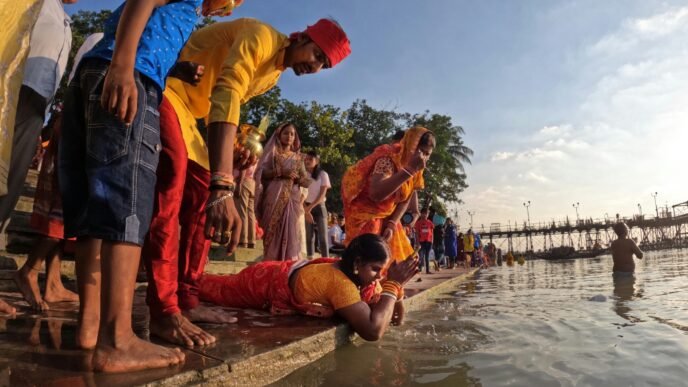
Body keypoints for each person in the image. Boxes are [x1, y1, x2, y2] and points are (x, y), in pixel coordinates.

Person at [143, 17, 350, 347]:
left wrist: (228, 159)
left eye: (324, 65)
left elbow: (223, 108)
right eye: (318, 54)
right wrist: (223, 183)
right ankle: (164, 310)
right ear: (305, 37)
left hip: (191, 117)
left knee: (200, 204)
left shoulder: (274, 72)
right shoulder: (261, 37)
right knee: (173, 189)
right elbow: (226, 93)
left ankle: (188, 299)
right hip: (166, 90)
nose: (316, 66)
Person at [58, 0, 241, 373]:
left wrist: (174, 67)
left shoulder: (192, 11)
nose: (227, 7)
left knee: (96, 205)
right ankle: (117, 339)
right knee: (127, 200)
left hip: (95, 73)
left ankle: (91, 326)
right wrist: (124, 67)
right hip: (129, 76)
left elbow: (147, 27)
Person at [14, 33, 103, 313]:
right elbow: (86, 86)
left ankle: (52, 282)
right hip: (79, 128)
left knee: (69, 216)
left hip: (85, 129)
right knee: (63, 213)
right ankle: (29, 269)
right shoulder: (101, 40)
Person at [198, 234, 419, 340]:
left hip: (283, 272)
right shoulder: (340, 284)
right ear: (357, 263)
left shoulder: (359, 278)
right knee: (209, 287)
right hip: (261, 283)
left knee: (215, 281)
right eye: (375, 269)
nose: (379, 277)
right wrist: (394, 284)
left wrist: (397, 289)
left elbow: (396, 319)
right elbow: (372, 331)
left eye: (384, 270)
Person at [0, 0, 75, 228]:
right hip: (16, 85)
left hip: (39, 103)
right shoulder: (39, 4)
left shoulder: (66, 22)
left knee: (16, 169)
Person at [342, 127, 434, 267]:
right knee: (367, 263)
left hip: (389, 217)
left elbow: (406, 199)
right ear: (411, 146)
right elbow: (376, 194)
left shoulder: (416, 169)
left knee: (395, 263)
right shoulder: (387, 160)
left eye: (428, 155)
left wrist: (391, 224)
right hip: (365, 216)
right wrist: (409, 170)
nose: (424, 159)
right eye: (422, 152)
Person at [254, 123, 312, 261]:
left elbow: (305, 180)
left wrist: (298, 179)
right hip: (273, 196)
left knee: (291, 229)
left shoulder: (298, 158)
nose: (289, 136)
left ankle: (288, 263)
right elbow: (260, 173)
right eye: (286, 133)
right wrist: (280, 172)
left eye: (292, 134)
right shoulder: (272, 153)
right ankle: (271, 261)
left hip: (292, 198)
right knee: (272, 231)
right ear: (279, 135)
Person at [304, 151, 331, 259]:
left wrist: (309, 209)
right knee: (309, 236)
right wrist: (305, 209)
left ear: (317, 161)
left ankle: (326, 260)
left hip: (319, 207)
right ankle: (310, 259)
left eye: (310, 159)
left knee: (323, 238)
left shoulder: (323, 174)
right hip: (305, 206)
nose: (307, 161)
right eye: (306, 159)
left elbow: (322, 195)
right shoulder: (303, 174)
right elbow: (298, 192)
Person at [235, 162, 257, 248]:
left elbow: (244, 167)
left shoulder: (248, 152)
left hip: (244, 181)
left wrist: (239, 184)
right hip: (252, 182)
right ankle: (252, 240)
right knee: (250, 213)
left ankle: (242, 240)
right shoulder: (257, 155)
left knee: (242, 211)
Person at [414, 208, 434, 274]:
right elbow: (416, 233)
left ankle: (427, 270)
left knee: (427, 256)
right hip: (421, 241)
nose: (425, 215)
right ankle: (419, 269)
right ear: (421, 214)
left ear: (428, 215)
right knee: (421, 255)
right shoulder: (418, 223)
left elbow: (432, 232)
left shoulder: (430, 223)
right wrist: (417, 242)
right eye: (423, 213)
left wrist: (432, 241)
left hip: (429, 241)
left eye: (426, 214)